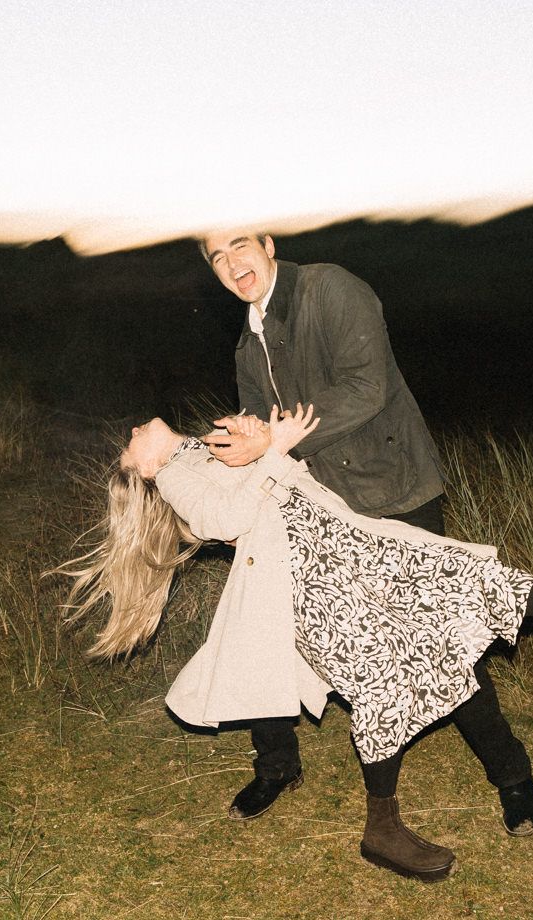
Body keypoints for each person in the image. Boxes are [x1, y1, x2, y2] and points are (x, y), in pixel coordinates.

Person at [55, 407, 533, 882]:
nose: (132, 430)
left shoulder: (197, 449)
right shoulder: (176, 475)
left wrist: (263, 443)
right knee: (386, 676)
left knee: (458, 579)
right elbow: (227, 520)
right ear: (141, 469)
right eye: (127, 445)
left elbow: (289, 487)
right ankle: (382, 828)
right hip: (316, 585)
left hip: (350, 554)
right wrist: (275, 453)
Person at [195, 228, 458, 823]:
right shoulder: (246, 347)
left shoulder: (329, 288)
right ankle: (276, 764)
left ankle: (510, 770)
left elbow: (368, 388)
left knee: (437, 629)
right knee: (263, 617)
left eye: (240, 244)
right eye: (217, 256)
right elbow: (265, 434)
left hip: (395, 485)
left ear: (266, 242)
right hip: (322, 498)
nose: (232, 263)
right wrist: (239, 450)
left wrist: (276, 438)